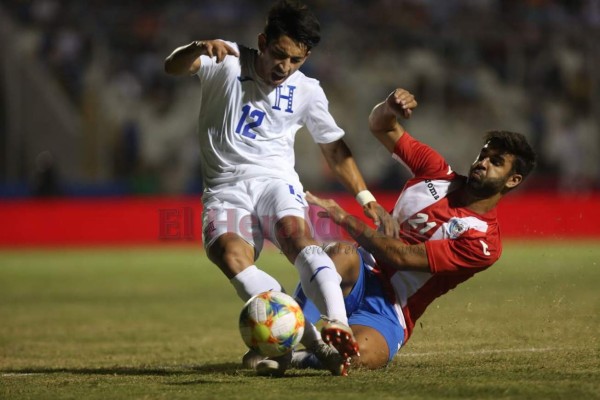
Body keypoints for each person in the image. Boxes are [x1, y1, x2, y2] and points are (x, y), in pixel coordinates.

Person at [163, 0, 395, 376]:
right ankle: (311, 344)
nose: (284, 68)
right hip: (224, 189)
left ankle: (337, 323)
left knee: (295, 236)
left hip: (275, 180)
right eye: (279, 55)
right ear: (263, 41)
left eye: (296, 61)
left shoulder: (307, 90)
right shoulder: (226, 59)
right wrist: (195, 47)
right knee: (231, 257)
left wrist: (365, 197)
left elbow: (334, 148)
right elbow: (172, 66)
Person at [293, 87, 537, 370]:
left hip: (392, 309)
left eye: (495, 162)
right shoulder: (435, 171)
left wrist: (345, 218)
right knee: (340, 252)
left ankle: (304, 357)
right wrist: (390, 106)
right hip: (359, 270)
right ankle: (285, 335)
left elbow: (402, 257)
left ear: (513, 180)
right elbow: (380, 125)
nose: (482, 163)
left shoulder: (484, 243)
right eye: (483, 155)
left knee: (356, 358)